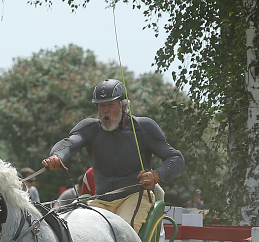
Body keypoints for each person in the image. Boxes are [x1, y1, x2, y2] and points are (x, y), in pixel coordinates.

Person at [42, 79, 184, 232]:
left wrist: (156, 175)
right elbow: (69, 143)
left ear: (123, 106)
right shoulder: (89, 128)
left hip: (134, 197)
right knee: (82, 235)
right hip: (100, 201)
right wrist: (57, 156)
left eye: (110, 105)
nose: (105, 111)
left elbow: (176, 158)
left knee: (121, 233)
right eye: (101, 106)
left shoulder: (143, 127)